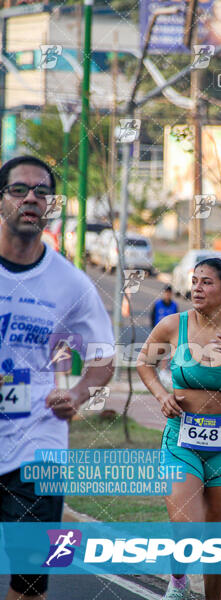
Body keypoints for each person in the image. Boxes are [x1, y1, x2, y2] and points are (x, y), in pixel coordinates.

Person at [0, 156, 115, 600]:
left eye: (41, 192)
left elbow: (104, 354)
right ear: (2, 200)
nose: (31, 198)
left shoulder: (71, 284)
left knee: (30, 583)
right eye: (19, 189)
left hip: (38, 443)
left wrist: (80, 394)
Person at [137, 257, 221, 600]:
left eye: (207, 282)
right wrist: (161, 394)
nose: (197, 287)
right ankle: (179, 579)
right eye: (195, 281)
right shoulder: (172, 325)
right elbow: (144, 362)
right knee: (189, 526)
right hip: (181, 438)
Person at [150, 285, 179, 384]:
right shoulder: (157, 304)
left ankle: (164, 371)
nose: (167, 295)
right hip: (158, 333)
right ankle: (155, 372)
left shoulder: (174, 305)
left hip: (170, 333)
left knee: (168, 352)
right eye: (165, 293)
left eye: (169, 293)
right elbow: (153, 317)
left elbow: (176, 318)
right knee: (157, 352)